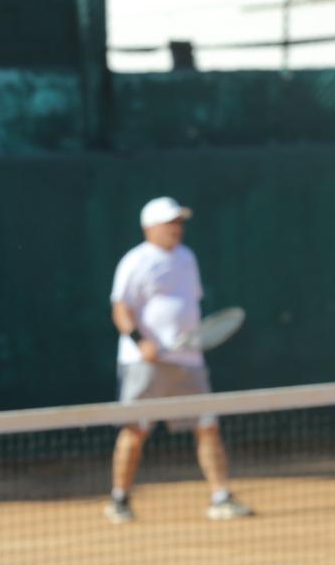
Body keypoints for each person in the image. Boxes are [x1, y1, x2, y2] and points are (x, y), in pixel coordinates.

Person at [105, 196, 255, 523]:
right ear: (151, 227)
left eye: (179, 222)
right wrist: (140, 341)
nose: (177, 228)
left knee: (207, 426)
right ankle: (119, 500)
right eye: (170, 222)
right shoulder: (136, 261)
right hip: (144, 364)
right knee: (135, 430)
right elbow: (121, 308)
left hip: (189, 362)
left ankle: (221, 496)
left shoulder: (187, 257)